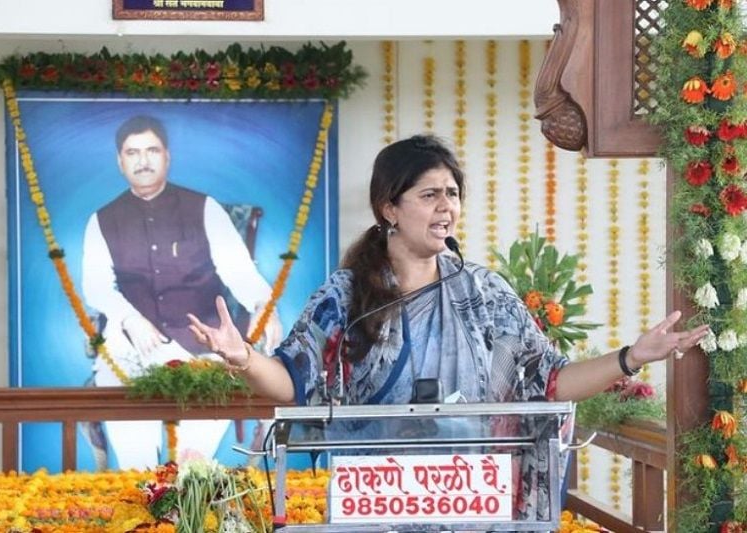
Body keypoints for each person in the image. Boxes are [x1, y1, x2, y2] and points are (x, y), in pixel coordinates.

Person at [187, 134, 709, 521]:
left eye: (452, 193)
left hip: (471, 503)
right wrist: (244, 358)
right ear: (389, 207)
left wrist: (631, 357)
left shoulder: (486, 296)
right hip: (376, 504)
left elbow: (549, 382)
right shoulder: (345, 297)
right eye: (430, 194)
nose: (447, 208)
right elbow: (293, 382)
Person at [81, 115, 281, 469]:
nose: (143, 161)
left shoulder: (204, 208)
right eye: (132, 153)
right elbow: (95, 286)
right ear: (120, 161)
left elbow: (239, 271)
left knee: (194, 467)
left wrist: (266, 305)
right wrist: (129, 318)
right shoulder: (102, 219)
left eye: (151, 150)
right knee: (137, 465)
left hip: (203, 346)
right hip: (132, 347)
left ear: (167, 157)